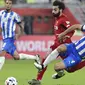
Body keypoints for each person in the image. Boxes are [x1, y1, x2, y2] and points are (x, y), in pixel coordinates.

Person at [28, 1, 75, 85]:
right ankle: (38, 80)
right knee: (45, 59)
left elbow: (72, 30)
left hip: (65, 46)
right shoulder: (57, 18)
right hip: (56, 44)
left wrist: (67, 36)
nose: (53, 11)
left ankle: (61, 72)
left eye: (55, 10)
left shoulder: (64, 19)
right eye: (52, 9)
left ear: (60, 10)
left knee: (70, 68)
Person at [0, 0, 40, 71]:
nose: (8, 5)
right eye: (7, 3)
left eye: (10, 3)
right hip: (4, 38)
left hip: (10, 38)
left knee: (2, 54)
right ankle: (36, 57)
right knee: (16, 57)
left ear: (11, 5)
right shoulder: (1, 13)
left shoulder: (14, 15)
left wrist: (19, 34)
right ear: (5, 4)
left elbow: (21, 24)